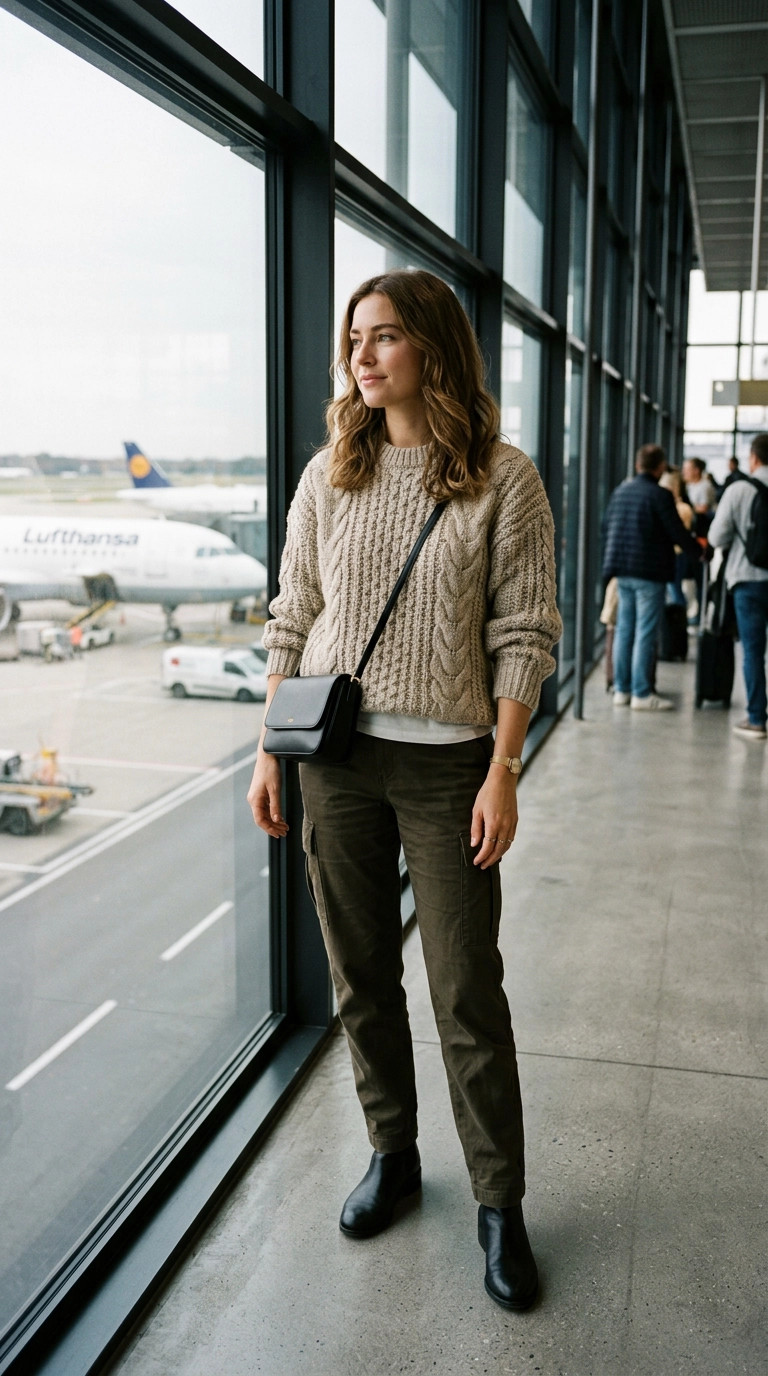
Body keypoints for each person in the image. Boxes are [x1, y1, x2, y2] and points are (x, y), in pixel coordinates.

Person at [247, 270, 562, 1313]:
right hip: (332, 760)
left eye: (385, 336)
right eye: (355, 339)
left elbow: (525, 630)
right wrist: (266, 750)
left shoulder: (503, 479)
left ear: (433, 346)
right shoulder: (329, 471)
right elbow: (293, 613)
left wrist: (503, 769)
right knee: (360, 974)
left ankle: (499, 1200)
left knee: (467, 988)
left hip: (448, 766)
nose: (363, 356)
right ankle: (392, 1149)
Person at [602, 443, 703, 710]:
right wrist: (700, 552)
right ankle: (641, 693)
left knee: (624, 630)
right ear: (660, 467)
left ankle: (621, 691)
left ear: (637, 465)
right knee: (645, 633)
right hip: (650, 573)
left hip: (622, 570)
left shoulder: (621, 491)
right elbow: (677, 532)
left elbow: (605, 526)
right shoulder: (660, 495)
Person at [708, 432, 768, 740]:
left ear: (754, 458)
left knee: (753, 651)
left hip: (749, 581)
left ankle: (757, 719)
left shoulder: (739, 489)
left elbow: (717, 537)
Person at [659, 468, 694, 608]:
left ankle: (679, 621)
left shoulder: (682, 508)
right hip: (672, 554)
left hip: (676, 554)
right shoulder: (678, 507)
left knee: (674, 590)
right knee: (672, 590)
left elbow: (678, 533)